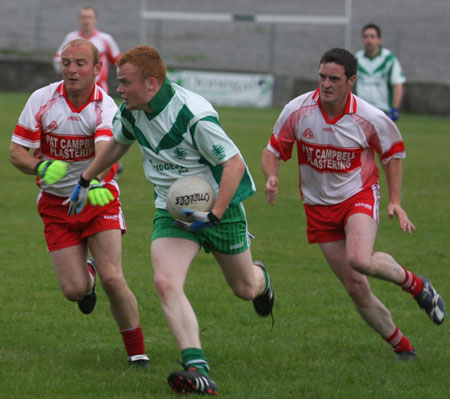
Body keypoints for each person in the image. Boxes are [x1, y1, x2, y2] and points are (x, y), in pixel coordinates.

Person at [67, 45, 274, 396]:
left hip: (220, 206)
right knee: (165, 281)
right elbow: (118, 143)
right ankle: (197, 368)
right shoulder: (131, 112)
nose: (118, 89)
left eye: (125, 82)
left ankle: (261, 277)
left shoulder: (192, 114)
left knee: (244, 289)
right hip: (172, 209)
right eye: (118, 82)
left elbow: (234, 165)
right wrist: (86, 179)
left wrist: (216, 214)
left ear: (151, 83)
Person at [261, 48, 445, 361]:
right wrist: (271, 176)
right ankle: (402, 347)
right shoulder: (298, 110)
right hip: (318, 208)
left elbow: (393, 154)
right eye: (322, 76)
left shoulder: (370, 117)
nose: (326, 84)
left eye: (334, 78)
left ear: (351, 81)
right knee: (356, 287)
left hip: (357, 196)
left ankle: (416, 286)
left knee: (359, 258)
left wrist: (396, 201)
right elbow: (273, 150)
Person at [9, 39, 149, 368]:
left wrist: (95, 181)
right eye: (67, 63)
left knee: (113, 277)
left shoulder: (106, 106)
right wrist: (39, 167)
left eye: (81, 63)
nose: (72, 70)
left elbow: (105, 152)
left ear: (98, 69)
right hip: (56, 207)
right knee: (74, 291)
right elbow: (16, 153)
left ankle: (137, 353)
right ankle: (87, 280)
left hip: (98, 198)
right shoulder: (41, 100)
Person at [54, 6, 121, 94]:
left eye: (89, 17)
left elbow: (118, 61)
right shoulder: (71, 38)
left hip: (100, 88)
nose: (86, 21)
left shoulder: (105, 39)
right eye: (83, 17)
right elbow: (58, 59)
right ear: (79, 20)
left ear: (95, 20)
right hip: (74, 88)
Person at [354, 23, 406, 122]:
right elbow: (350, 84)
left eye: (372, 36)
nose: (369, 40)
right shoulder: (357, 59)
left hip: (383, 111)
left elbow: (398, 84)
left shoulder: (389, 59)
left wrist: (395, 108)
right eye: (365, 37)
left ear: (379, 39)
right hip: (361, 111)